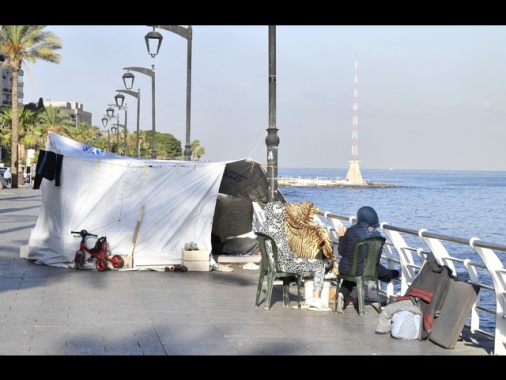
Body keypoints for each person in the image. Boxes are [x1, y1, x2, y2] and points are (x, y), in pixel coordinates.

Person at [260, 201, 330, 311]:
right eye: (282, 213)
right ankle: (315, 300)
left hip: (270, 265)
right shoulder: (279, 232)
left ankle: (309, 297)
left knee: (308, 262)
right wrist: (300, 258)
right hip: (283, 266)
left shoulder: (264, 228)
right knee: (319, 265)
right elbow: (287, 255)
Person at [335, 206, 400, 313]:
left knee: (354, 274)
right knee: (386, 272)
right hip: (370, 270)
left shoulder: (350, 232)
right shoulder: (377, 234)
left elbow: (341, 251)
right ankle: (397, 274)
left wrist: (342, 236)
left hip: (347, 269)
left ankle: (342, 294)